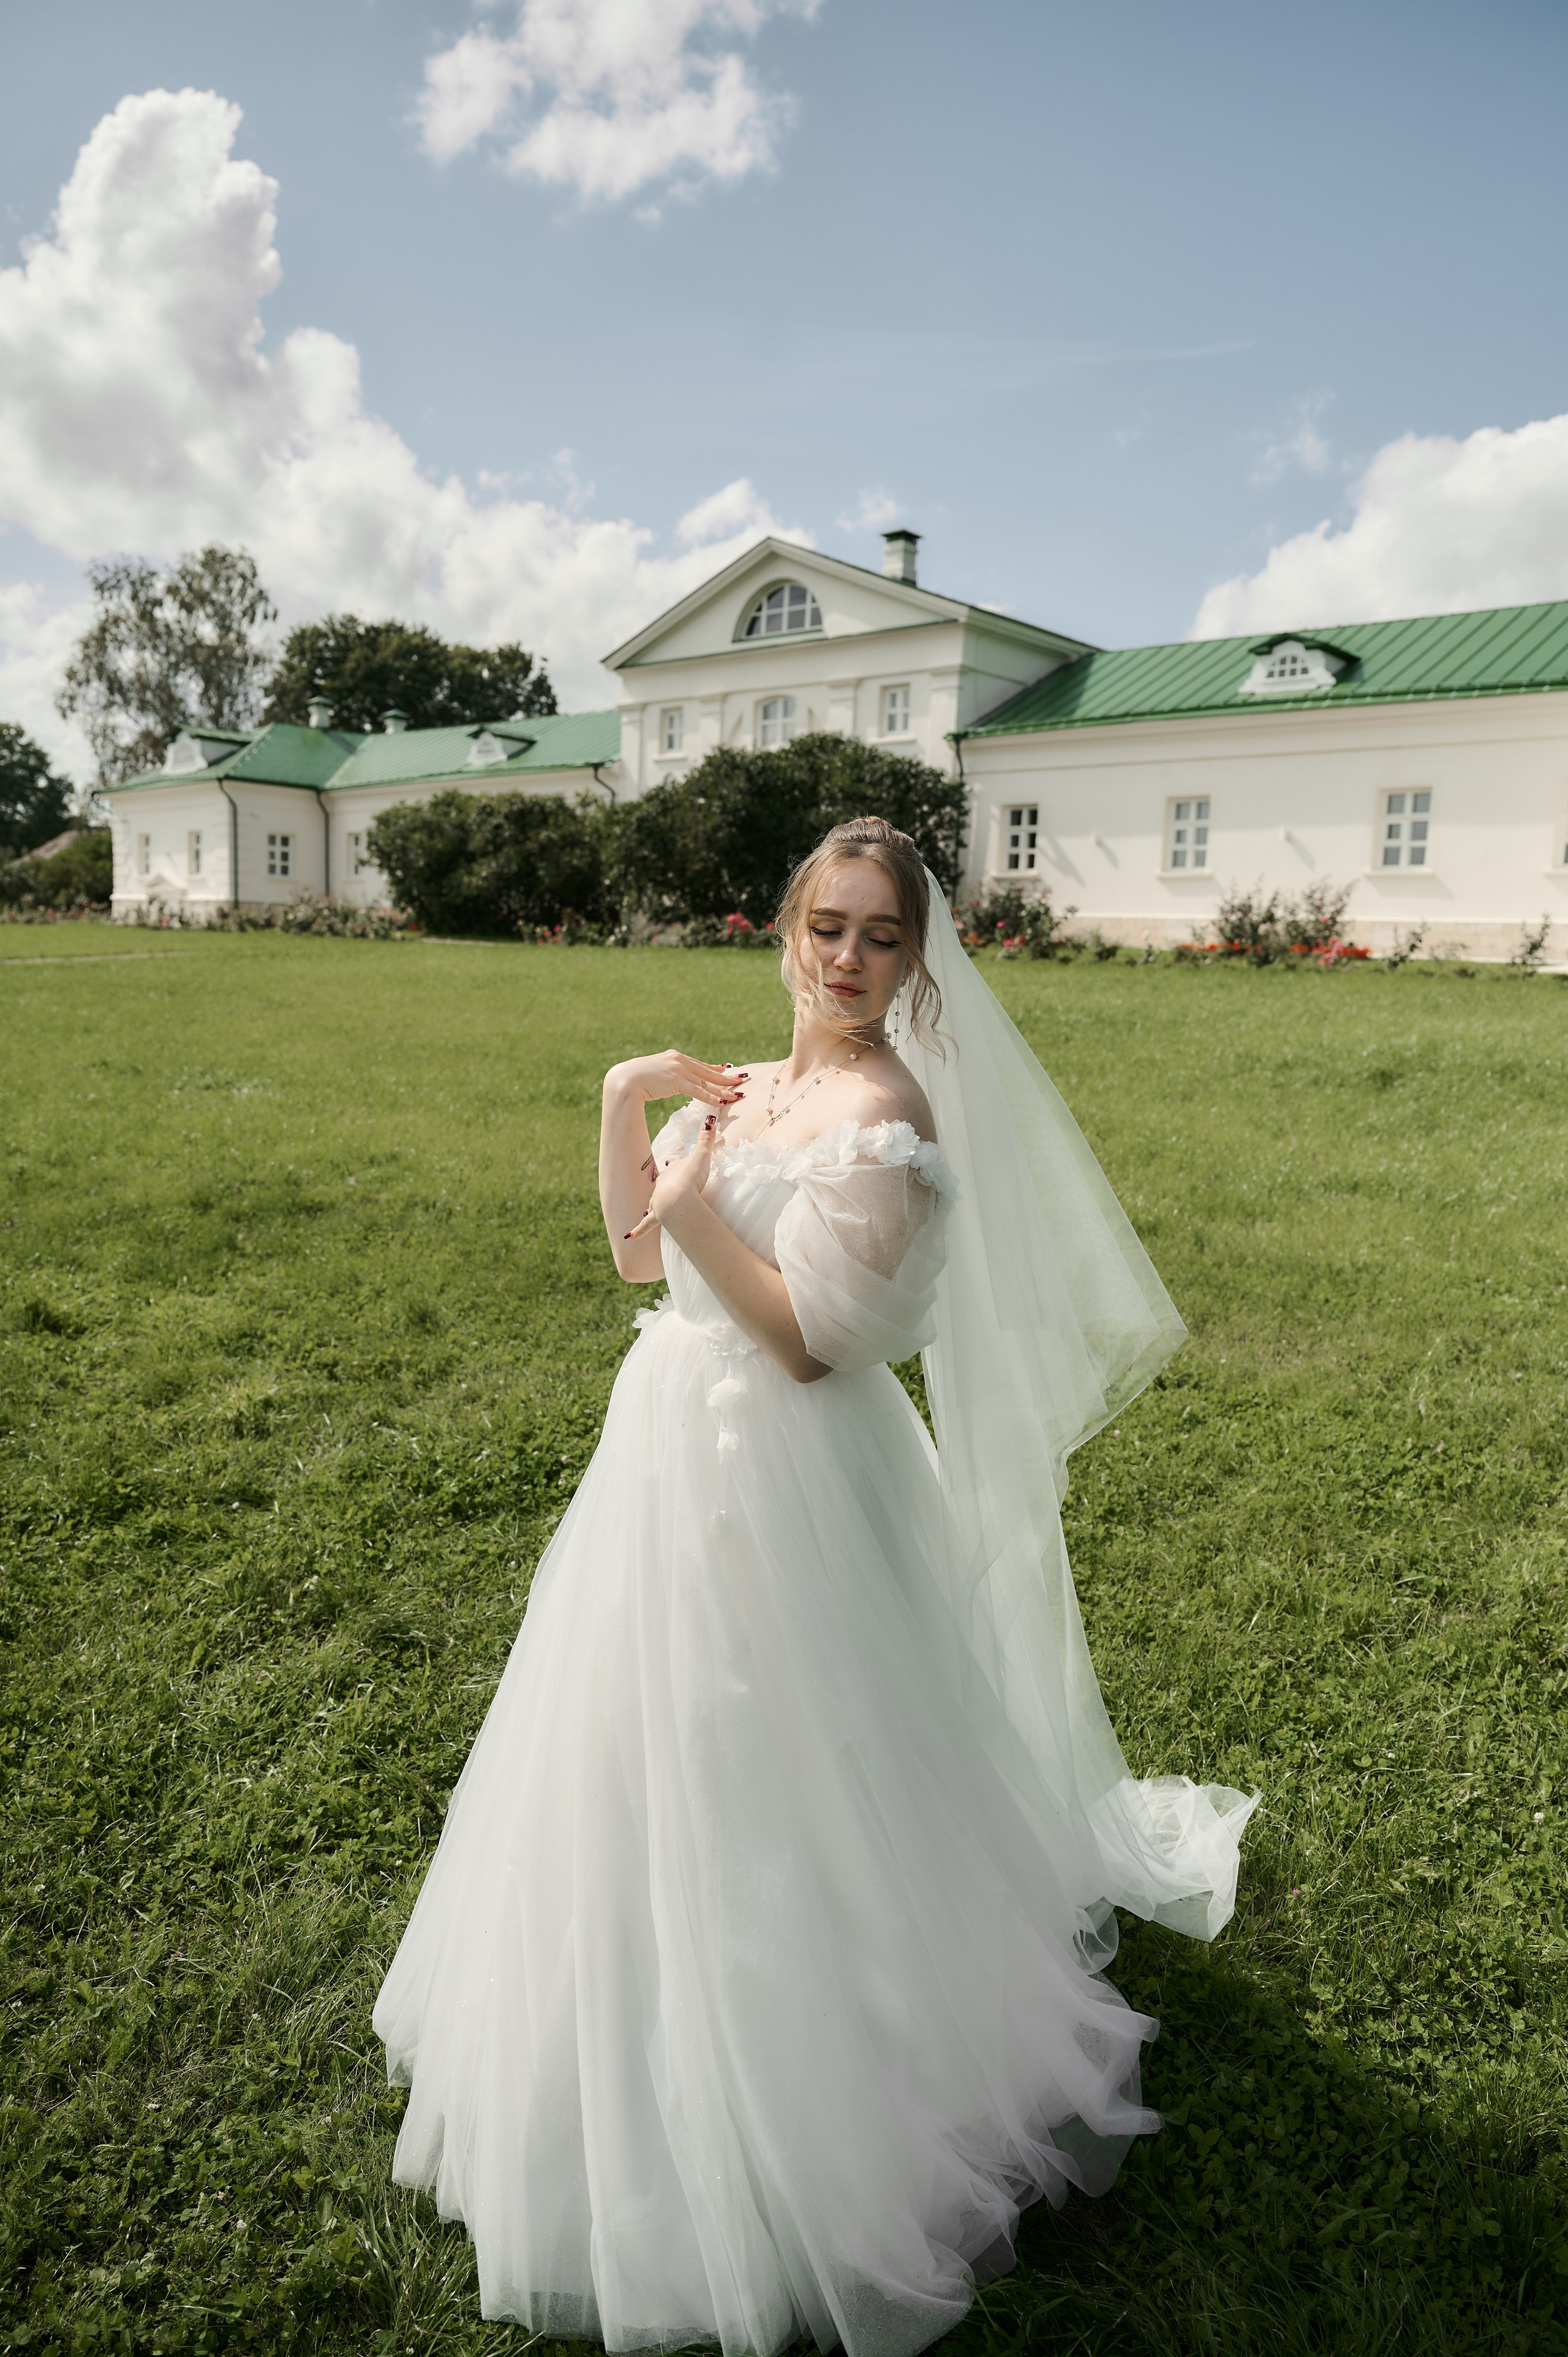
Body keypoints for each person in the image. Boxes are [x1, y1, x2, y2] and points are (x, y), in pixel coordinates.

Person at [373, 818, 1256, 2357]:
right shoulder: (754, 1086)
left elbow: (803, 1342)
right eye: (824, 927)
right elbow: (637, 1267)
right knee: (631, 1757)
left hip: (790, 1476)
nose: (845, 960)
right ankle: (625, 2043)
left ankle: (824, 2076)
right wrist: (626, 1103)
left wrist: (698, 1190)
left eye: (880, 937)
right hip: (661, 1459)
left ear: (916, 961)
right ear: (782, 931)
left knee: (794, 1769)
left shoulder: (887, 1121)